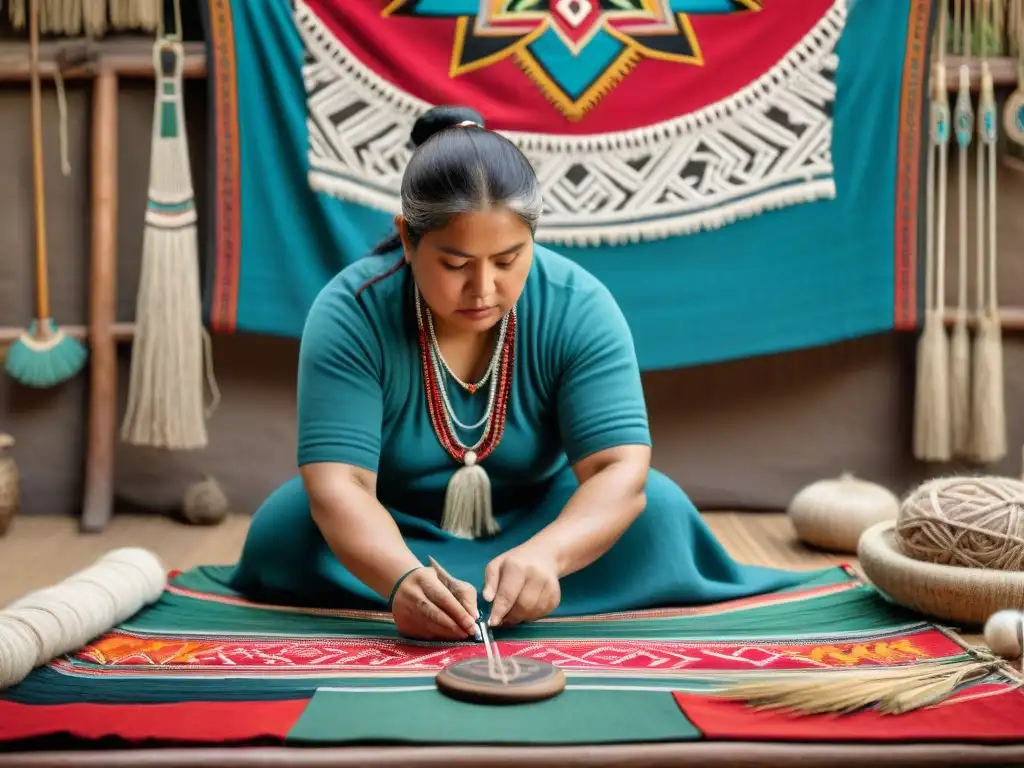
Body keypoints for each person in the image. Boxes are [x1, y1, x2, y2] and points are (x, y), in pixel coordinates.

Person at [228, 105, 819, 641]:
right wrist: (400, 579)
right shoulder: (351, 311)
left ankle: (521, 589)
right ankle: (434, 597)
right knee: (291, 526)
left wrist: (551, 556)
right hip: (390, 532)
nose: (484, 289)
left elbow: (619, 468)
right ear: (408, 239)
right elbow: (343, 487)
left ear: (532, 238)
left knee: (659, 512)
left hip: (541, 522)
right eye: (456, 263)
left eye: (508, 260)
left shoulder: (577, 304)